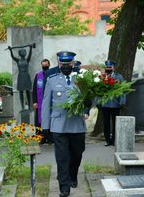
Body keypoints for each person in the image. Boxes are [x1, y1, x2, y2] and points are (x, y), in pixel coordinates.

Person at [41, 51, 90, 197]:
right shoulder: (52, 80)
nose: (66, 66)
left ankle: (72, 175)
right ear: (58, 64)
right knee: (62, 158)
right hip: (58, 124)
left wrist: (88, 105)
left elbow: (91, 96)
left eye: (69, 64)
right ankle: (64, 186)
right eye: (63, 64)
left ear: (73, 64)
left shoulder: (81, 79)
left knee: (77, 153)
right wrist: (45, 127)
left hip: (77, 124)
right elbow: (45, 103)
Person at [100, 60, 126, 146]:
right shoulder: (102, 77)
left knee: (116, 122)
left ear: (113, 68)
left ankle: (114, 140)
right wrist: (99, 102)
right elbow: (98, 91)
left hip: (116, 104)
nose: (108, 69)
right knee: (106, 123)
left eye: (110, 67)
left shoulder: (119, 77)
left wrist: (122, 101)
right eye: (107, 67)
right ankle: (107, 140)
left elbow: (122, 90)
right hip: (105, 104)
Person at [7, 44, 35, 110]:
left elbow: (30, 55)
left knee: (28, 91)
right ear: (20, 53)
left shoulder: (27, 60)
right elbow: (13, 57)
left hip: (26, 75)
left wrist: (30, 48)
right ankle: (22, 107)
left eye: (25, 52)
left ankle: (29, 106)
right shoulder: (18, 60)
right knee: (21, 91)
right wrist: (10, 50)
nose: (24, 53)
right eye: (23, 52)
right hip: (21, 76)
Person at [32, 59, 52, 143]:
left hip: (50, 102)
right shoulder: (38, 76)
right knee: (39, 120)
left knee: (50, 119)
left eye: (46, 65)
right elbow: (34, 90)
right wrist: (35, 101)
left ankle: (50, 138)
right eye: (43, 65)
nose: (44, 66)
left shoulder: (52, 75)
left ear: (49, 65)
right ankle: (41, 138)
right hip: (40, 102)